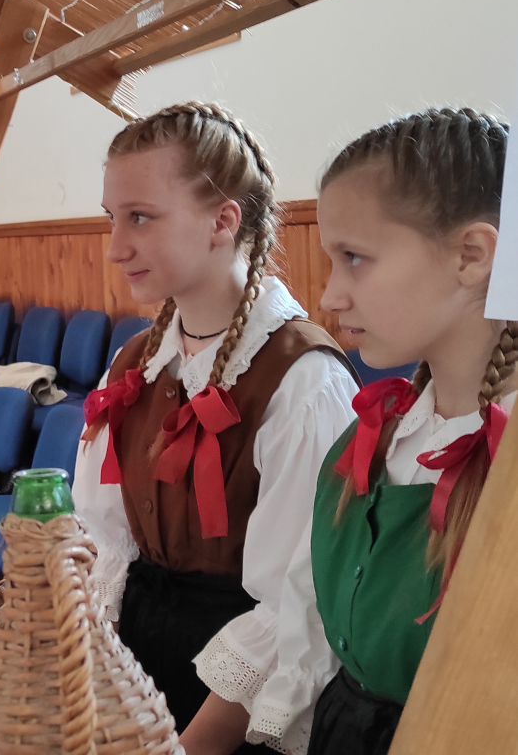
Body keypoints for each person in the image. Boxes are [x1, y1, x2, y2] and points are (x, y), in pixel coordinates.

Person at [72, 102, 360, 750]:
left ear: (222, 222)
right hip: (133, 672)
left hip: (231, 710)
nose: (115, 247)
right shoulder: (136, 362)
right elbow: (103, 537)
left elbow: (298, 606)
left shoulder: (303, 381)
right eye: (111, 218)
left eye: (140, 217)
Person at [225, 109, 512, 755]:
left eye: (354, 259)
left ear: (472, 256)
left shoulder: (505, 463)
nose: (330, 296)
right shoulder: (370, 440)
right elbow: (309, 621)